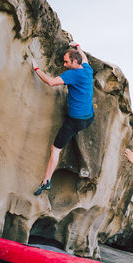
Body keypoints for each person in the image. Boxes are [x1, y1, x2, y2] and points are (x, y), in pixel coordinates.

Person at [33, 42, 94, 196]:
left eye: (66, 61)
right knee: (75, 125)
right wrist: (78, 46)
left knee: (55, 149)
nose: (64, 64)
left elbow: (51, 82)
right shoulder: (87, 70)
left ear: (74, 61)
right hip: (89, 118)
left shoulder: (73, 74)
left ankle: (46, 181)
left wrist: (36, 68)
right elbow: (85, 58)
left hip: (75, 121)